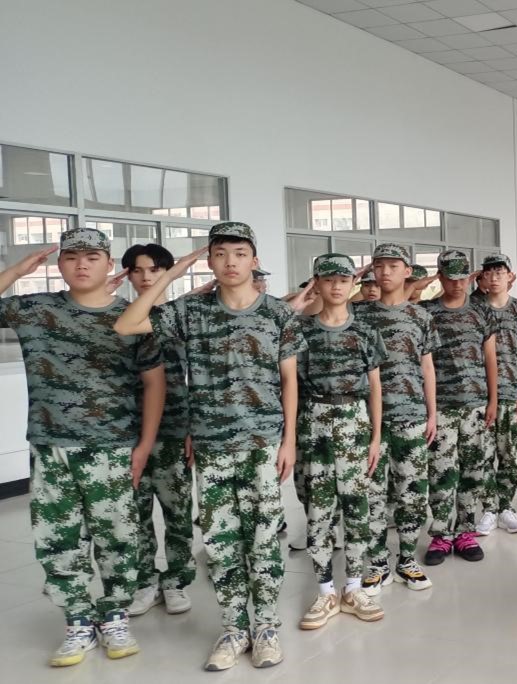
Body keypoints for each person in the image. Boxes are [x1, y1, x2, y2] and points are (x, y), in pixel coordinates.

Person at [116, 221, 305, 671]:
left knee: (262, 539)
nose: (230, 262)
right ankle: (234, 627)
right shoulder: (190, 312)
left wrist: (289, 441)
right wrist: (173, 271)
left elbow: (289, 381)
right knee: (221, 542)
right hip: (211, 445)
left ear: (254, 260)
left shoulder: (278, 314)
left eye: (239, 253)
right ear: (209, 261)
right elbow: (127, 323)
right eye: (220, 254)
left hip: (262, 444)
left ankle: (266, 626)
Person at [2, 229, 163, 667]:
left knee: (118, 538)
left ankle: (114, 616)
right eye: (72, 257)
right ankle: (77, 620)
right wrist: (18, 270)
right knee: (57, 539)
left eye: (92, 256)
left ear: (109, 264)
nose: (82, 265)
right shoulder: (35, 309)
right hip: (51, 445)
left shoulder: (133, 317)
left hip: (113, 446)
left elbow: (154, 384)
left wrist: (144, 445)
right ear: (59, 265)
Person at [294, 254, 388, 629]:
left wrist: (376, 436)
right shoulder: (302, 331)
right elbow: (291, 386)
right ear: (316, 283)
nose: (336, 286)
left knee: (357, 507)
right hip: (313, 421)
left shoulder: (365, 331)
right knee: (318, 510)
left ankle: (353, 587)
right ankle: (325, 591)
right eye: (328, 279)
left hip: (354, 420)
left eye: (343, 280)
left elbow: (375, 387)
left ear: (353, 284)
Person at [111, 244, 198, 619]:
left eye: (154, 270)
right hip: (127, 428)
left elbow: (201, 377)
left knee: (177, 509)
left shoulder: (182, 318)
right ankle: (144, 580)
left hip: (174, 427)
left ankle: (176, 580)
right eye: (138, 270)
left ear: (167, 273)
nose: (146, 277)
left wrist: (194, 426)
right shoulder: (119, 318)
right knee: (134, 512)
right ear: (128, 275)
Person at [354, 243, 438, 593]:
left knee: (412, 492)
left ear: (408, 271)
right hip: (368, 419)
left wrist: (432, 413)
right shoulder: (358, 315)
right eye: (379, 265)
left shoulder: (421, 316)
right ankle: (377, 562)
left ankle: (406, 559)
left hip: (411, 415)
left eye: (393, 265)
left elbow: (427, 367)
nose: (385, 272)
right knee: (371, 494)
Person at [420, 250, 497, 565]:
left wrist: (493, 400)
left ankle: (465, 532)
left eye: (462, 278)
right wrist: (430, 411)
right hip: (441, 405)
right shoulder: (426, 312)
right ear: (440, 277)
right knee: (441, 471)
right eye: (450, 278)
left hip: (475, 404)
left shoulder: (481, 311)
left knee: (472, 470)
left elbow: (490, 357)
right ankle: (441, 535)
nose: (457, 284)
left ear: (470, 277)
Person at [475, 253, 517, 537]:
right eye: (489, 272)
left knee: (508, 453)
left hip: (510, 390)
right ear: (482, 277)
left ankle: (505, 506)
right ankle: (489, 507)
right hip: (478, 392)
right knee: (483, 453)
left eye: (500, 272)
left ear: (510, 276)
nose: (494, 277)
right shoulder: (474, 308)